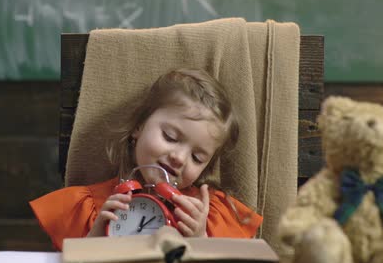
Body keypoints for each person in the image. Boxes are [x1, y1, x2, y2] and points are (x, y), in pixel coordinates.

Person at [30, 68, 263, 250]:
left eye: (197, 157)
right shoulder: (90, 207)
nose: (179, 158)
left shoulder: (210, 214)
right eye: (170, 137)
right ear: (138, 127)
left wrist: (200, 237)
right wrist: (96, 237)